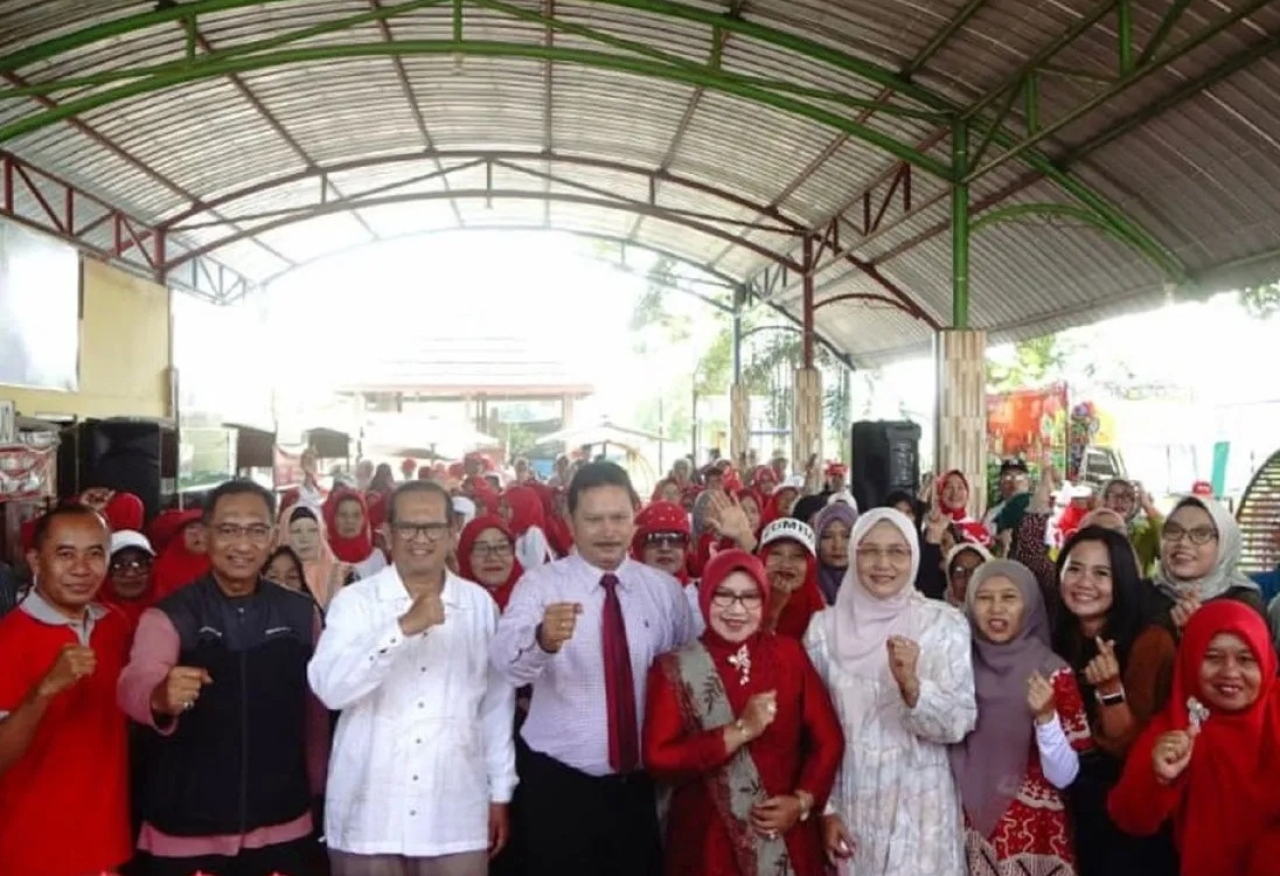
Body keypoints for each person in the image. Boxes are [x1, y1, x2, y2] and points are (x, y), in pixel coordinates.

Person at [490, 461, 696, 876]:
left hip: (639, 789)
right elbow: (506, 665)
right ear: (570, 520)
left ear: (635, 516)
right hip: (559, 786)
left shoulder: (664, 591)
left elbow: (691, 670)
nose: (608, 531)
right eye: (594, 519)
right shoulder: (541, 586)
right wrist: (543, 640)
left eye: (619, 518)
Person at [118, 479, 329, 876]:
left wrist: (317, 788)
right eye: (229, 530)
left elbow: (314, 713)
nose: (243, 544)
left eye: (255, 530)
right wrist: (159, 697)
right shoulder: (171, 615)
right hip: (184, 831)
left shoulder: (301, 614)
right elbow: (135, 681)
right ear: (205, 535)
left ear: (272, 537)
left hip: (283, 823)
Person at [310, 481, 516, 876]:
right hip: (369, 815)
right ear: (387, 532)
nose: (420, 539)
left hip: (455, 812)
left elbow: (494, 708)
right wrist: (400, 629)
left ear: (452, 533)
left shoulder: (478, 606)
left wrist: (500, 791)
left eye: (433, 528)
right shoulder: (355, 602)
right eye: (408, 527)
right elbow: (330, 689)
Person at [643, 549, 844, 875]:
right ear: (706, 596)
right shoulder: (673, 668)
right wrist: (738, 732)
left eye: (749, 597)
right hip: (707, 846)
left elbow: (828, 740)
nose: (736, 609)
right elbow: (659, 759)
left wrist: (803, 801)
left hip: (784, 838)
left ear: (763, 600)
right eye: (724, 595)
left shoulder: (789, 656)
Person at [804, 508, 976, 876]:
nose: (883, 563)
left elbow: (959, 721)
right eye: (869, 551)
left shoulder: (943, 625)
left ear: (914, 557)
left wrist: (913, 688)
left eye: (898, 551)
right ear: (854, 555)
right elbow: (811, 733)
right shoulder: (822, 631)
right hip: (853, 804)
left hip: (923, 811)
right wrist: (826, 810)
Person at [0, 505, 133, 876]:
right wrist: (44, 691)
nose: (81, 568)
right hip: (30, 852)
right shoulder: (8, 640)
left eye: (95, 553)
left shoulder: (114, 625)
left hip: (107, 845)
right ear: (35, 560)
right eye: (65, 553)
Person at [1108, 601, 1280, 875]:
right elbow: (1129, 818)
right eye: (1212, 657)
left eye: (1246, 659)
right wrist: (1159, 778)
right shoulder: (1175, 724)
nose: (1230, 672)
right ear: (1190, 659)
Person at [951, 560, 1090, 873]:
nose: (996, 609)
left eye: (1009, 598)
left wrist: (1046, 717)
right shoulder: (955, 666)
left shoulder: (1052, 672)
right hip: (959, 827)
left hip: (1034, 834)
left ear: (1029, 605)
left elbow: (1065, 776)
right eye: (984, 598)